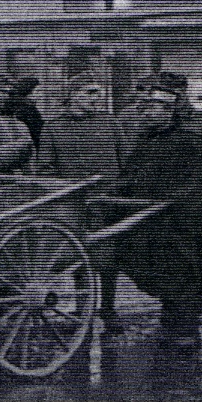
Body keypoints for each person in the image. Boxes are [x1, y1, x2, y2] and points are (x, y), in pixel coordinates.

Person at [113, 77, 202, 350]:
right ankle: (170, 323)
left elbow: (201, 181)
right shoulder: (147, 141)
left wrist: (174, 201)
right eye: (145, 109)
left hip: (189, 223)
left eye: (153, 108)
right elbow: (130, 176)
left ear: (168, 111)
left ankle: (187, 330)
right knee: (165, 273)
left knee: (187, 275)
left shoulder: (189, 141)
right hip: (158, 221)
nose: (146, 113)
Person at [36, 72, 132, 334]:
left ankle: (109, 310)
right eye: (90, 92)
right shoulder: (54, 127)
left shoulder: (110, 124)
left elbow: (126, 163)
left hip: (107, 202)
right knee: (79, 258)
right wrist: (65, 190)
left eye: (99, 92)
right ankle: (82, 311)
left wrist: (121, 192)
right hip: (74, 205)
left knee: (109, 260)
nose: (96, 97)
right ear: (73, 95)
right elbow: (45, 168)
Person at [5, 76, 46, 151]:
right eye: (37, 91)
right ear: (29, 91)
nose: (41, 95)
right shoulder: (28, 109)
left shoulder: (17, 104)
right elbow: (37, 131)